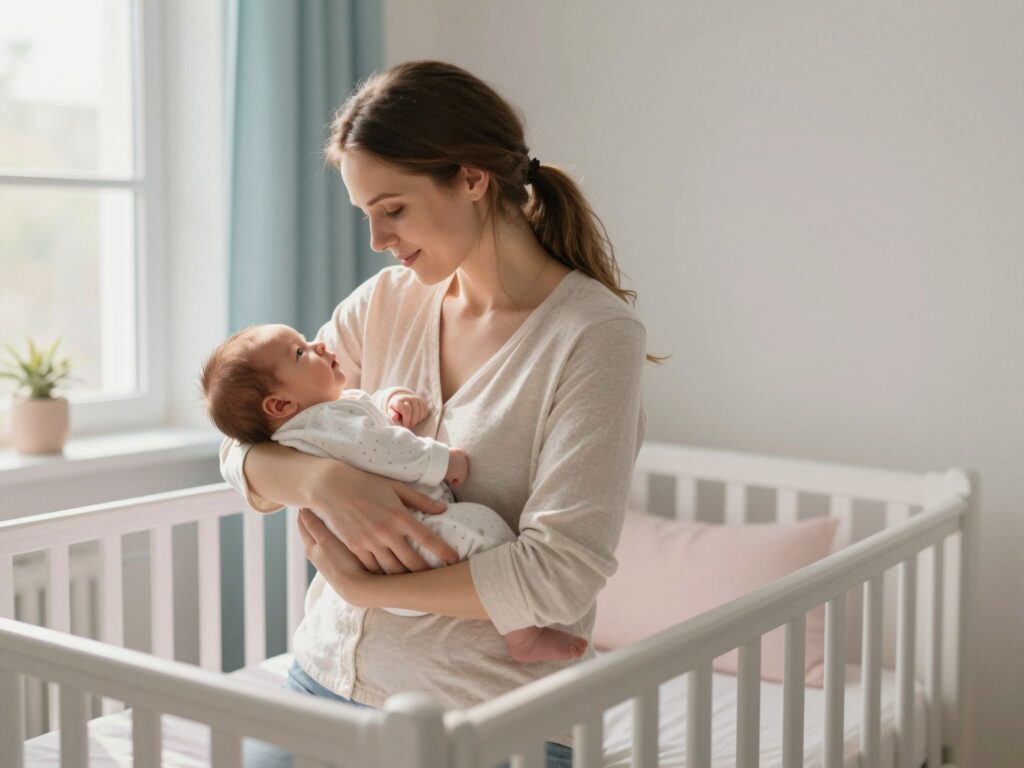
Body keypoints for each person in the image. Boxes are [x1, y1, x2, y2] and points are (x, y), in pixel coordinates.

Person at [220, 60, 648, 767]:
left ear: (472, 178)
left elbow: (559, 575)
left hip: (487, 721)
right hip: (322, 679)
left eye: (393, 209)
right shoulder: (384, 303)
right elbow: (243, 447)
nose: (377, 240)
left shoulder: (593, 336)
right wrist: (326, 482)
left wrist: (361, 586)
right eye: (365, 214)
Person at [200, 321, 590, 662]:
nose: (317, 343)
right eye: (301, 351)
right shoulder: (321, 423)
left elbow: (362, 412)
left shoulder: (315, 420)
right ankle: (523, 636)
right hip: (407, 544)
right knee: (484, 530)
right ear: (280, 404)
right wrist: (442, 462)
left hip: (381, 566)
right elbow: (384, 449)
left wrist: (391, 400)